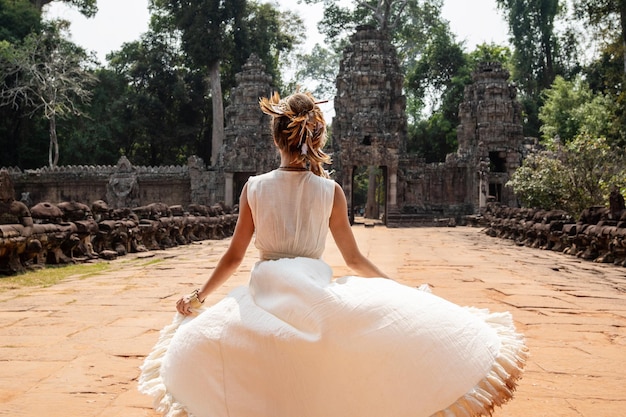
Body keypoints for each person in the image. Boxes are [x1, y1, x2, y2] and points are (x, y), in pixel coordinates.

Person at [139, 92, 528, 417]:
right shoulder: (331, 191)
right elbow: (354, 260)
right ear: (318, 138)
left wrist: (198, 296)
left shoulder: (254, 188)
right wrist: (401, 291)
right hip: (316, 295)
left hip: (261, 295)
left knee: (240, 363)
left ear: (276, 138)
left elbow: (234, 256)